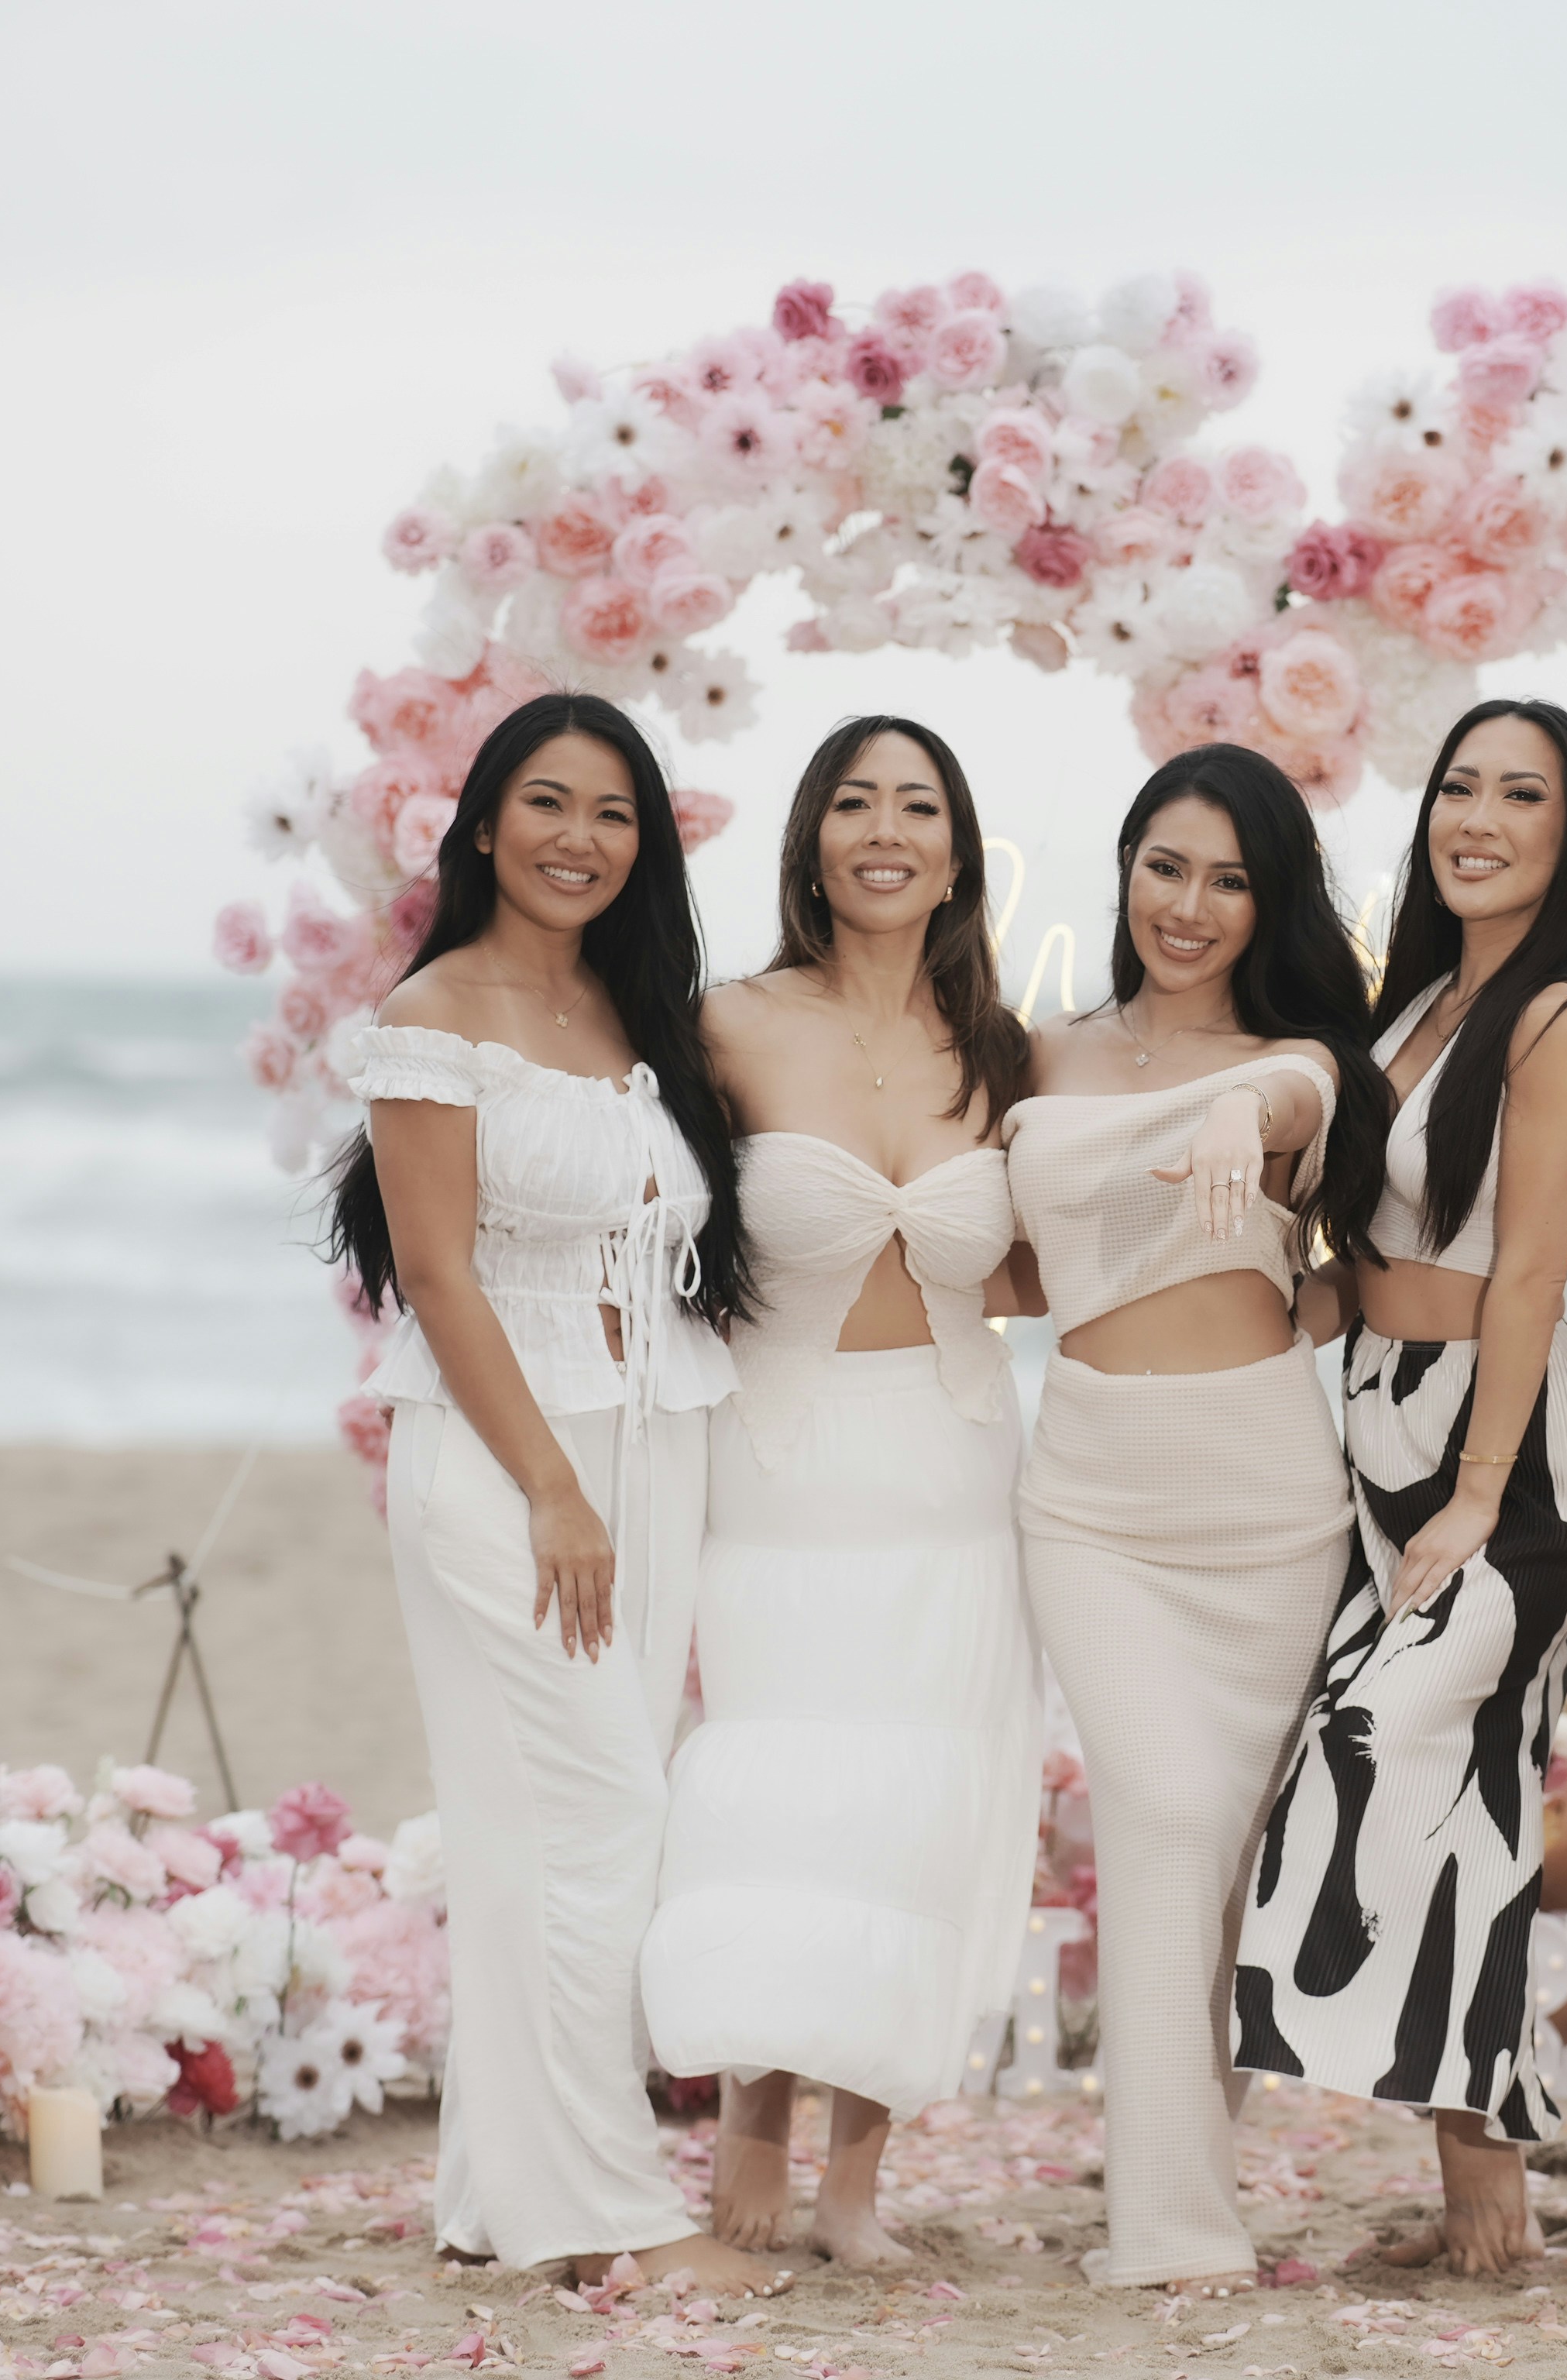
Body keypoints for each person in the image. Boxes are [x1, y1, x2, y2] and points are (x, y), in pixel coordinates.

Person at [324, 691, 771, 2293]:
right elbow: (436, 1277)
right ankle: (609, 2214)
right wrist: (551, 1493)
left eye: (615, 813)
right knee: (601, 1816)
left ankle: (500, 2200)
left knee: (550, 1840)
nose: (580, 839)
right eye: (549, 803)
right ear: (484, 822)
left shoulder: (637, 1010)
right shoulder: (436, 1015)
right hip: (516, 1470)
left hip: (655, 1444)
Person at [639, 715, 1041, 2265]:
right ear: (813, 838)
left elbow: (1029, 1266)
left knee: (917, 1809)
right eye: (856, 801)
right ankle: (749, 2124)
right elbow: (651, 1234)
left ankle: (858, 2182)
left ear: (958, 848)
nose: (887, 829)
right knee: (770, 1790)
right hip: (781, 1466)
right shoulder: (728, 1024)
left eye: (919, 805)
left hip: (951, 1466)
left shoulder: (1001, 1050)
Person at [1232, 700, 1567, 2276]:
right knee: (1471, 1782)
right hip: (1378, 1417)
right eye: (1460, 785)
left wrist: (1472, 1495)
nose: (1479, 815)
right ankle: (1482, 2149)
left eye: (1519, 794)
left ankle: (1486, 2139)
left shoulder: (1559, 1017)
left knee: (1390, 1737)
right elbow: (1373, 1254)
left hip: (1510, 1451)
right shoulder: (1414, 1008)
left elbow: (1528, 1270)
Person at [1003, 743, 1393, 2292]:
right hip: (1090, 1487)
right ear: (1125, 871)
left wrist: (1255, 1106)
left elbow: (1319, 1089)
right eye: (1168, 866)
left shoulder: (1297, 1058)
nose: (1191, 904)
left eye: (1231, 880)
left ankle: (1186, 2178)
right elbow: (987, 1253)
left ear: (1270, 901)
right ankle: (1169, 2231)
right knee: (1163, 1815)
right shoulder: (1042, 1056)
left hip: (1264, 1493)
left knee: (1220, 1857)